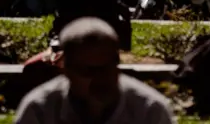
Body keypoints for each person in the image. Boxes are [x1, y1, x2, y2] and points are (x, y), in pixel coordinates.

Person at [16, 18, 175, 124]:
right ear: (66, 69)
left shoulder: (150, 111)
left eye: (105, 68)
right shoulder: (40, 110)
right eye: (88, 71)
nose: (99, 78)